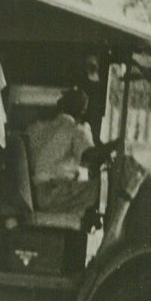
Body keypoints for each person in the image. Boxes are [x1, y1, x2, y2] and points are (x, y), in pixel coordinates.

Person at [25, 88, 101, 216]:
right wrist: (114, 145)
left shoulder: (36, 127)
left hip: (30, 192)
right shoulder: (76, 130)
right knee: (102, 190)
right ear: (83, 111)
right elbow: (90, 156)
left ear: (61, 105)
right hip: (51, 195)